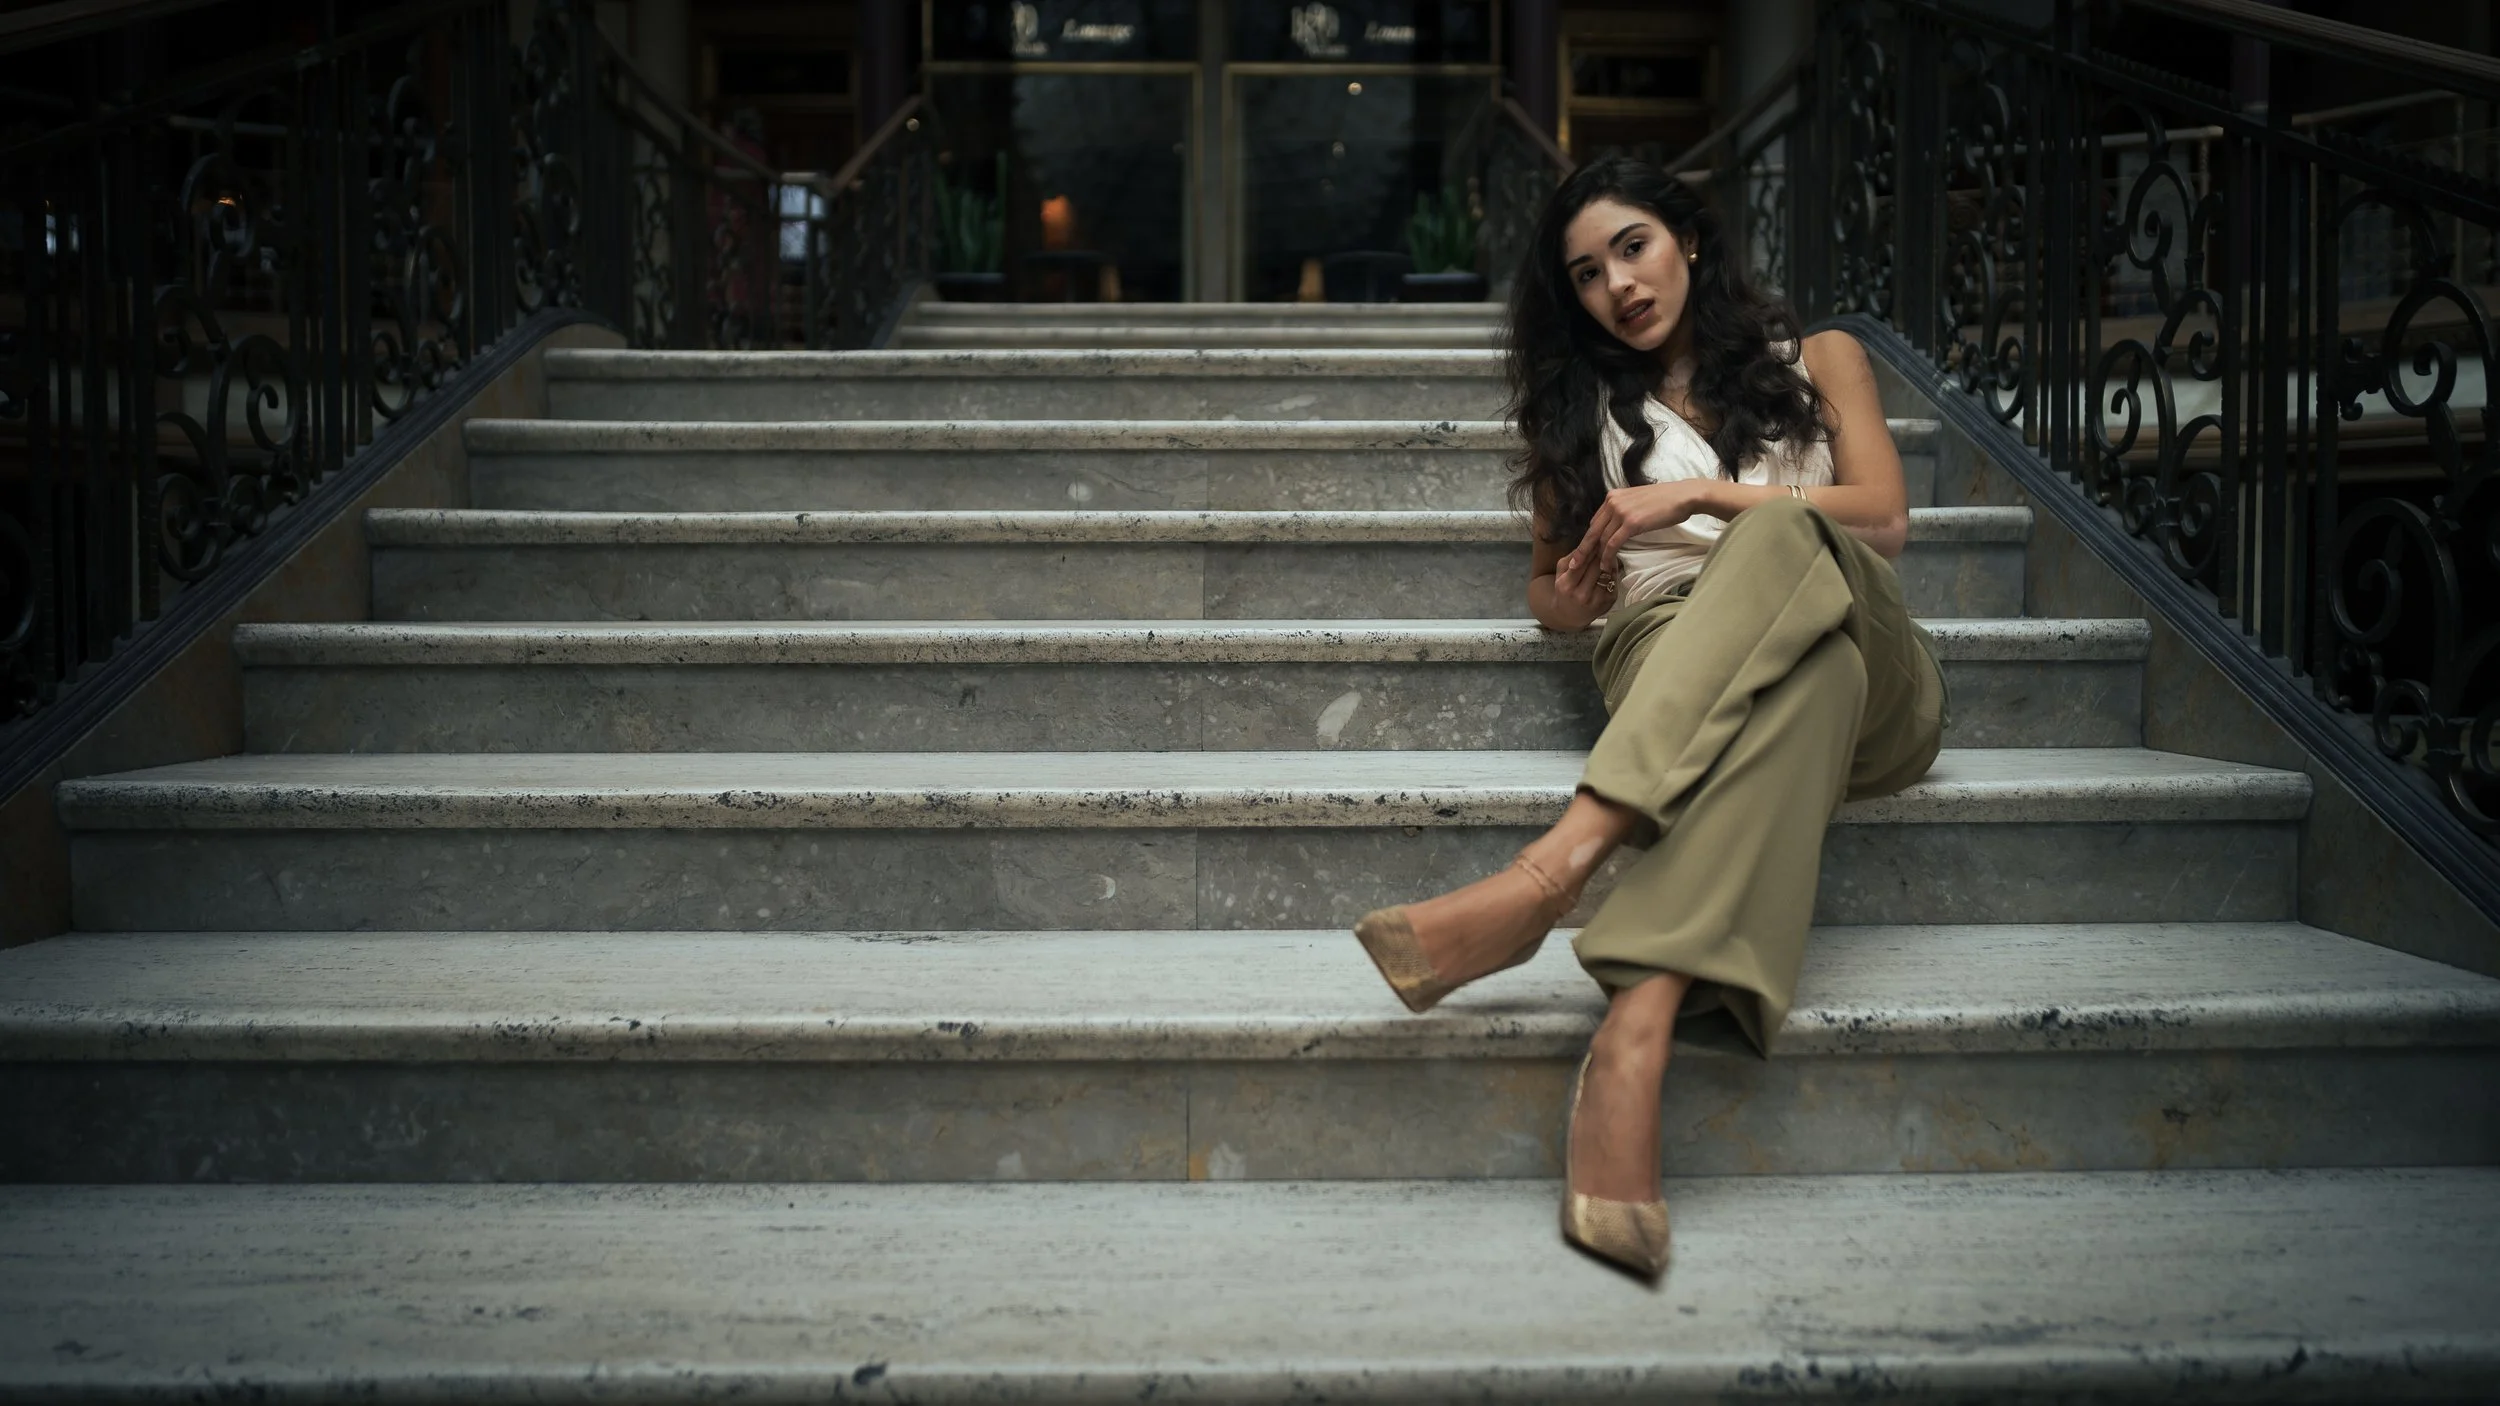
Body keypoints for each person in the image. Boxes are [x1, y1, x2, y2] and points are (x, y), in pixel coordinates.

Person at [1351, 156, 1946, 1280]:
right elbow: (1544, 589)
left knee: (1783, 548)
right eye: (1585, 273)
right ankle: (1634, 1033)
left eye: (1632, 247)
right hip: (1671, 645)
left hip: (1876, 666)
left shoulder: (1821, 359)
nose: (1616, 284)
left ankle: (1548, 875)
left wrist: (1707, 493)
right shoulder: (1578, 415)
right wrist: (1565, 606)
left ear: (1687, 240)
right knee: (1797, 678)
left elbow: (1881, 518)